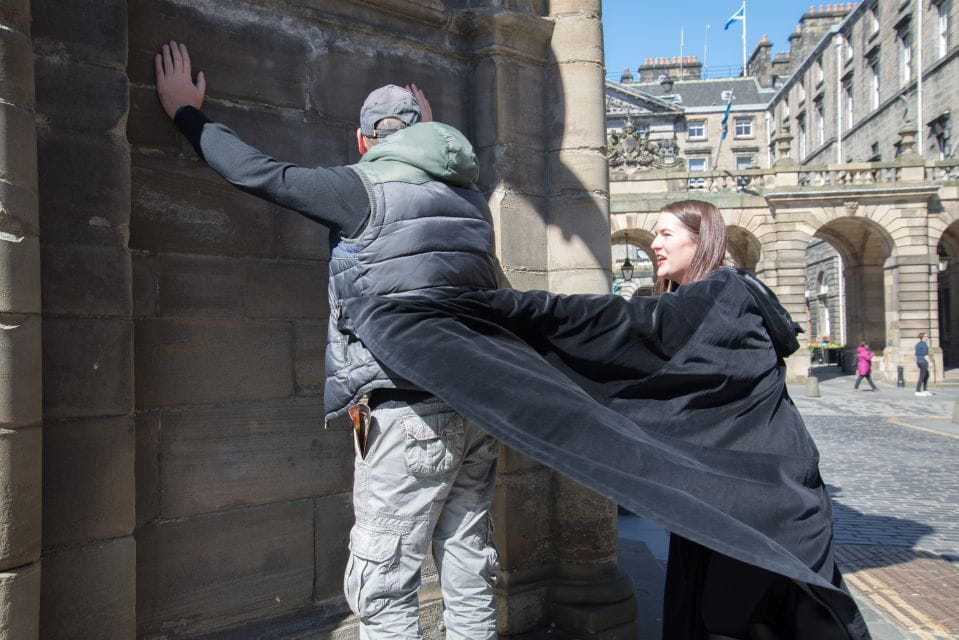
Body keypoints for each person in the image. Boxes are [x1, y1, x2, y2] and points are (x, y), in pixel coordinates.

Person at [339, 199, 870, 639]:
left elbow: (616, 323)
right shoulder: (720, 301)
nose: (655, 244)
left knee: (746, 619)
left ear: (700, 239)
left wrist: (492, 307)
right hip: (755, 490)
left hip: (762, 497)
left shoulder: (720, 295)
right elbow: (682, 375)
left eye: (666, 233)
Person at [154, 42, 499, 640]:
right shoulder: (471, 202)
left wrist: (187, 111)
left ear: (364, 141)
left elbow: (258, 172)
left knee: (384, 585)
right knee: (469, 568)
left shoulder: (361, 189)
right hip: (476, 407)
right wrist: (433, 125)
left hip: (406, 412)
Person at [915, 332, 933, 396]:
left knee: (926, 375)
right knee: (922, 376)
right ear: (922, 337)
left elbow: (916, 354)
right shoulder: (924, 345)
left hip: (919, 361)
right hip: (923, 361)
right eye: (926, 336)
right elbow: (925, 355)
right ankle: (918, 391)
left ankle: (925, 390)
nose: (927, 337)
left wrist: (918, 362)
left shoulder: (918, 344)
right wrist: (930, 362)